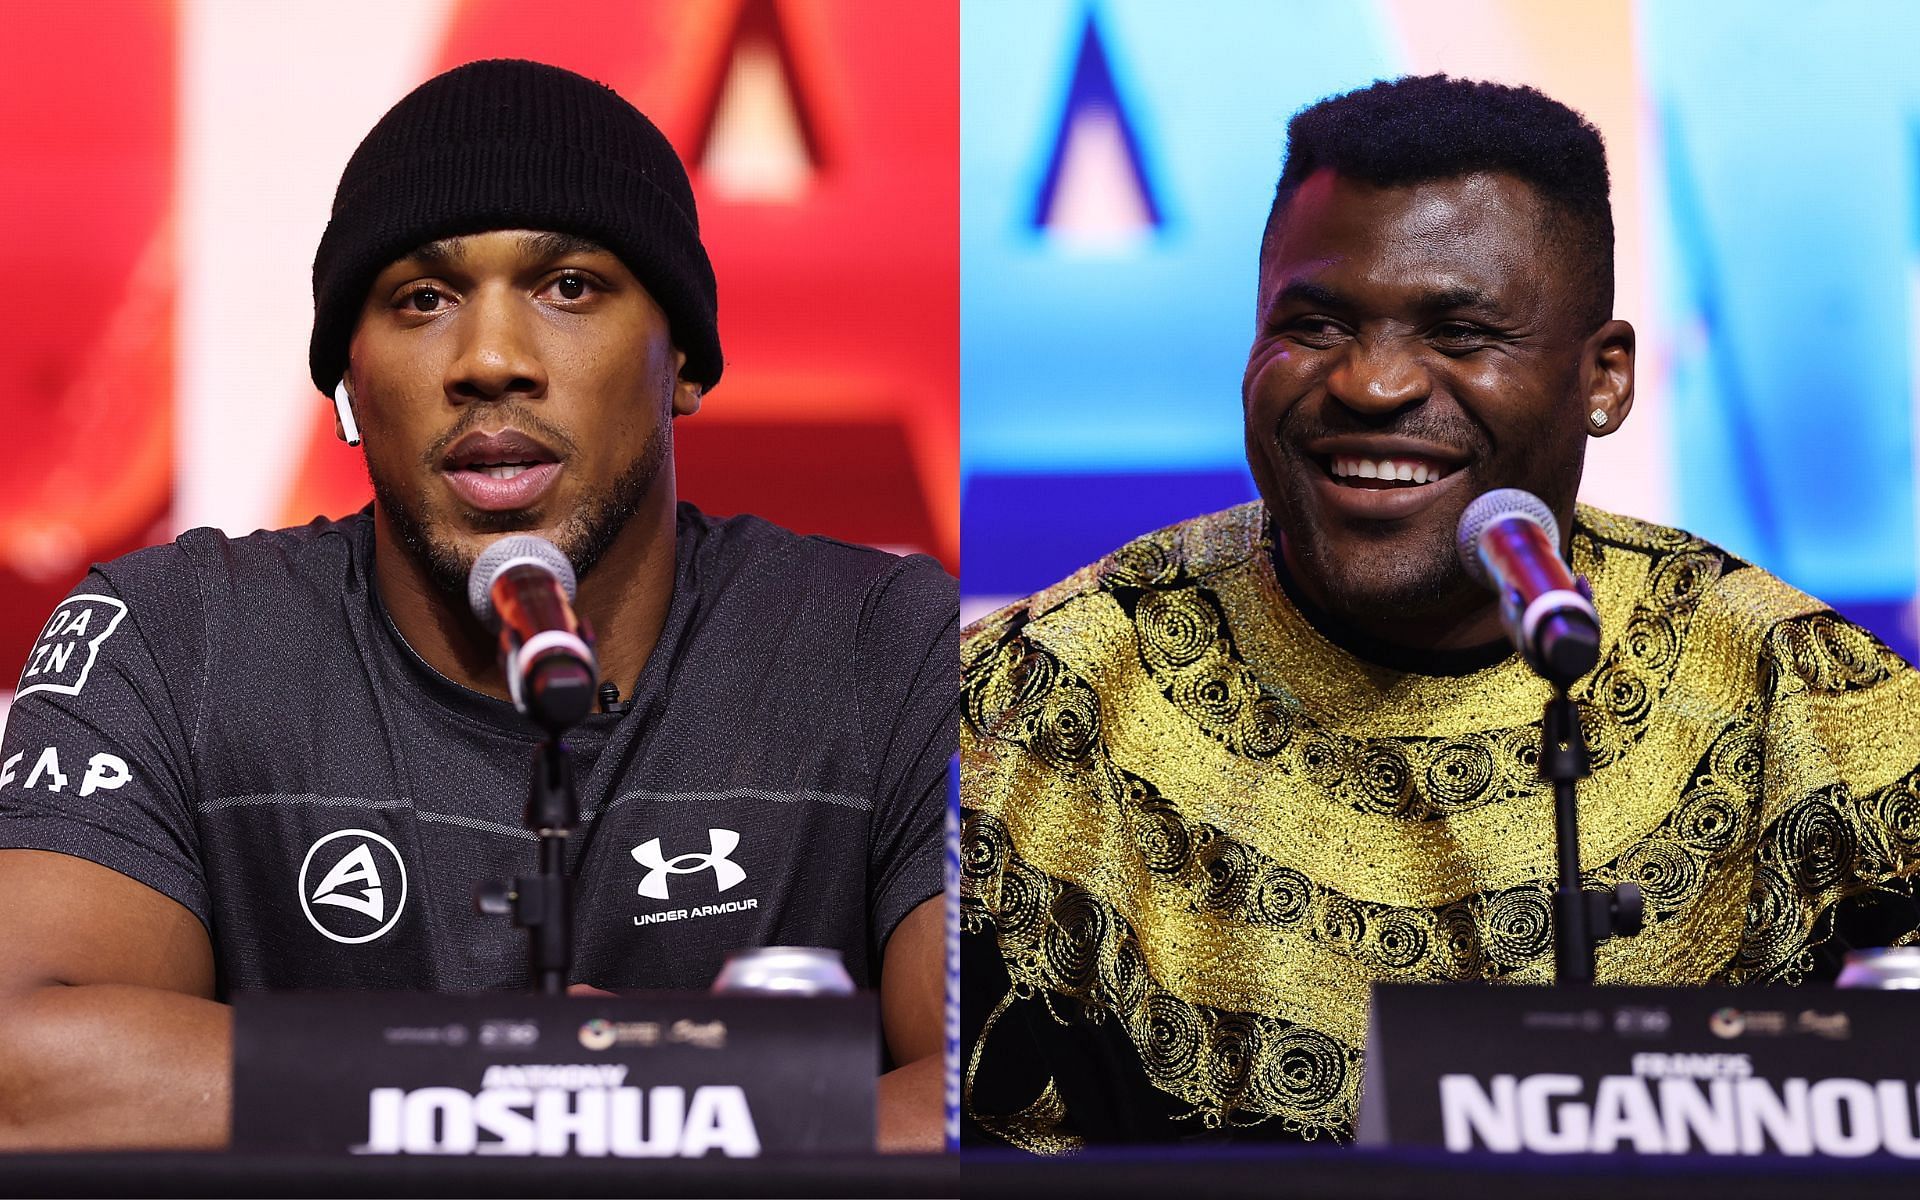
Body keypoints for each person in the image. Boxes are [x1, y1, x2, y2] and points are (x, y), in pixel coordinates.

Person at [0, 59, 954, 1152]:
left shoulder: (885, 645)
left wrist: (550, 1098)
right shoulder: (174, 638)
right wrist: (549, 1084)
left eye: (569, 288)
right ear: (350, 382)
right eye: (423, 299)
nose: (491, 360)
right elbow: (23, 1076)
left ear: (682, 357)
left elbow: (1009, 1109)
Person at [959, 74, 1920, 1150]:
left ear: (1604, 380)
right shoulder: (1034, 701)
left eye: (1460, 333)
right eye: (1314, 324)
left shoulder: (1806, 694)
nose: (1370, 384)